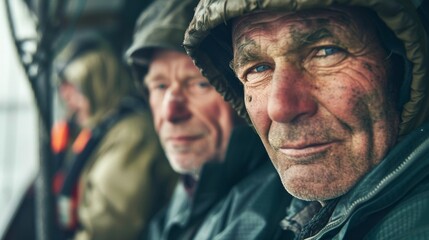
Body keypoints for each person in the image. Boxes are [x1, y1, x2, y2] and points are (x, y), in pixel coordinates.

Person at [183, 0, 429, 239]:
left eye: (326, 52)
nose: (279, 108)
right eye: (258, 68)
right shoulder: (289, 210)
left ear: (403, 68)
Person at [125, 0, 293, 239]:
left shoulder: (275, 209)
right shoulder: (192, 186)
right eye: (160, 86)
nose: (170, 112)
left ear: (239, 90)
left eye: (199, 84)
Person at [52, 33, 177, 240]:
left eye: (75, 87)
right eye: (63, 87)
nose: (66, 97)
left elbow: (109, 228)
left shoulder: (132, 134)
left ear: (98, 86)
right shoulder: (94, 129)